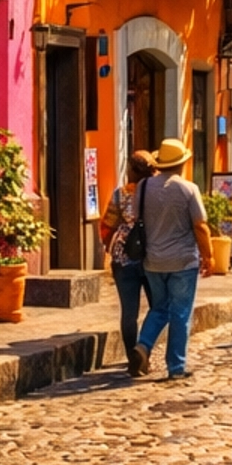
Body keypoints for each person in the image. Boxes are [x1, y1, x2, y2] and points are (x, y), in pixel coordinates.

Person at [133, 136, 212, 380]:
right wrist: (209, 256)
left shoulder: (143, 187)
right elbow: (200, 226)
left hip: (153, 261)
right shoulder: (189, 189)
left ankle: (143, 345)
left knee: (159, 307)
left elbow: (136, 218)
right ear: (182, 164)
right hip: (182, 261)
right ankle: (176, 367)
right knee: (180, 313)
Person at [100, 149, 156, 376]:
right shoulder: (156, 195)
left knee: (128, 312)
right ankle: (144, 351)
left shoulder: (121, 194)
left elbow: (107, 225)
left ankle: (132, 356)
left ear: (130, 170)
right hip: (153, 257)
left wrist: (108, 246)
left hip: (124, 258)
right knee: (158, 308)